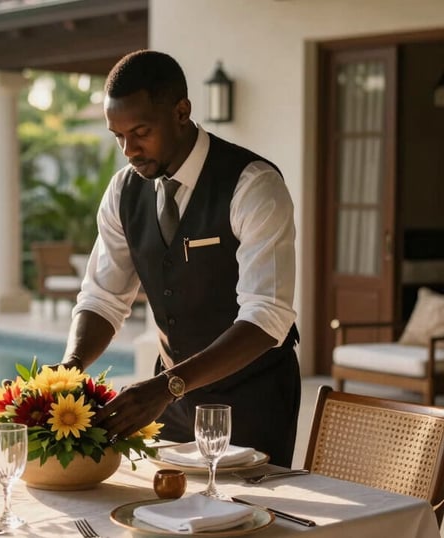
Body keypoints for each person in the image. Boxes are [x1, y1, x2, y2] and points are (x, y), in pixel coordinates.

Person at [58, 50, 300, 467]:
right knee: (167, 513)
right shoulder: (123, 192)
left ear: (182, 112)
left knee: (251, 523)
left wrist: (164, 386)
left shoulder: (253, 185)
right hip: (170, 401)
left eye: (141, 131)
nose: (128, 150)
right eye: (118, 136)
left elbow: (267, 317)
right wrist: (68, 370)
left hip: (253, 397)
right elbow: (102, 297)